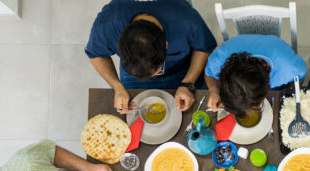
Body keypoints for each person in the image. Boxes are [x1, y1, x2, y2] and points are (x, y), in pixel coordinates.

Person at [85, 0, 216, 113]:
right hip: (134, 74)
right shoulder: (107, 25)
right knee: (129, 114)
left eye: (156, 71)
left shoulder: (186, 20)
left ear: (166, 45)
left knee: (199, 107)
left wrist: (187, 83)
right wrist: (117, 87)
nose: (154, 78)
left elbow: (204, 48)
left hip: (183, 70)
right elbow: (96, 55)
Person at [204, 34, 306, 114]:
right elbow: (208, 73)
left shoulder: (289, 68)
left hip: (276, 50)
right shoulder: (219, 60)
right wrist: (214, 90)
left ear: (267, 87)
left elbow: (298, 80)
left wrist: (287, 95)